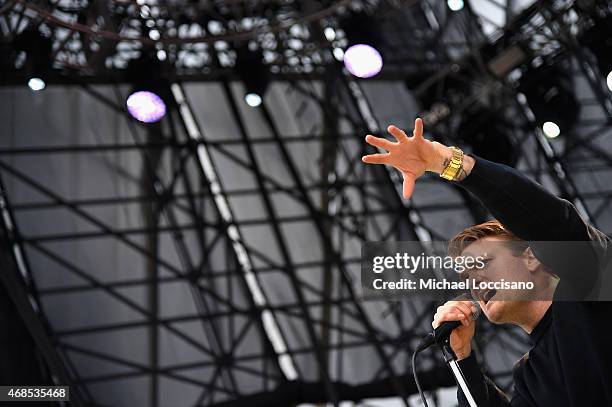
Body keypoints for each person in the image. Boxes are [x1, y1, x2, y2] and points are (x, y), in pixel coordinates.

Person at [361, 118, 612, 406]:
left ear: (530, 256)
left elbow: (551, 221)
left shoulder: (589, 283)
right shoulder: (530, 380)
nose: (474, 283)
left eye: (482, 264)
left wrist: (447, 162)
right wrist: (462, 359)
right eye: (466, 279)